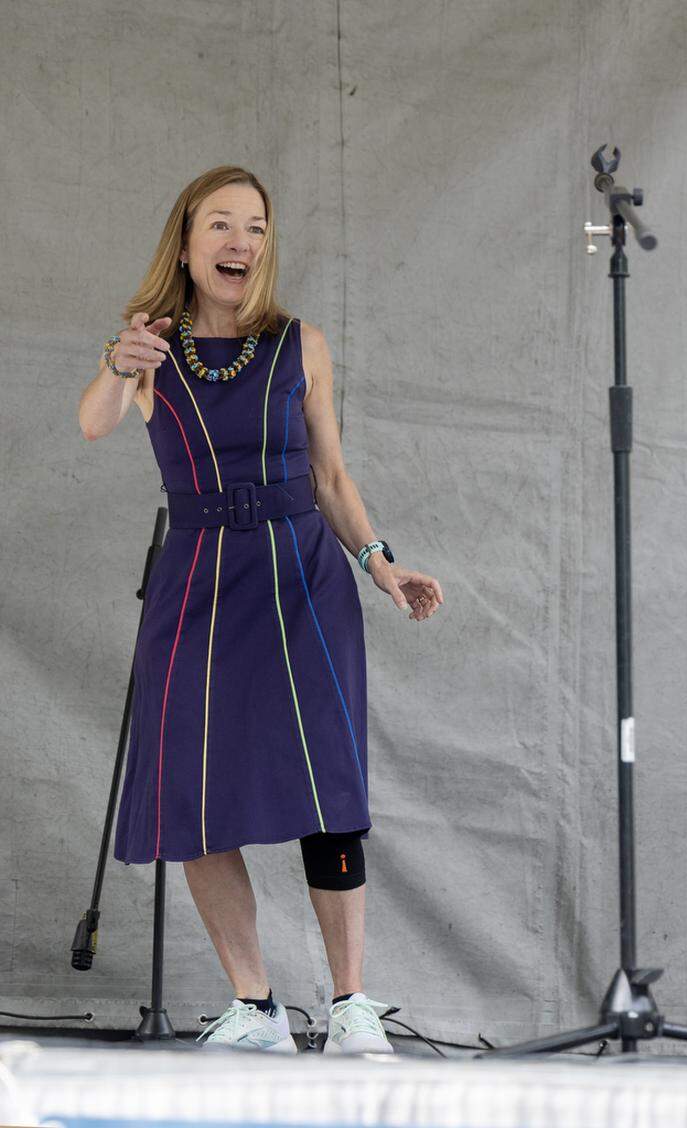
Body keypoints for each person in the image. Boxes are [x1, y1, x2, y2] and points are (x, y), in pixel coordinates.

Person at [78, 165, 443, 1054]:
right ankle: (255, 1007)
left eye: (256, 228)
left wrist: (380, 564)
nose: (240, 242)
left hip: (300, 574)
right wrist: (116, 364)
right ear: (188, 239)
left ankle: (353, 1004)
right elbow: (92, 423)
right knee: (192, 792)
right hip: (197, 578)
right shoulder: (148, 347)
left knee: (328, 788)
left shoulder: (299, 344)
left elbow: (330, 477)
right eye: (222, 226)